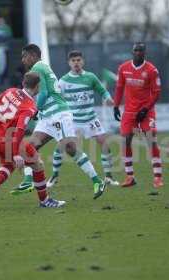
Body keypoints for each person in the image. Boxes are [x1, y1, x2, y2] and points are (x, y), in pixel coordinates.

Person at [11, 44, 106, 199]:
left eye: (24, 56)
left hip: (58, 113)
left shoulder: (38, 68)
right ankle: (28, 181)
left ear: (32, 55)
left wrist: (35, 109)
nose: (23, 60)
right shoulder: (39, 68)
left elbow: (44, 93)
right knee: (29, 147)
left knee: (70, 147)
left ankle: (97, 181)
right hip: (47, 116)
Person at [0, 71, 66, 208]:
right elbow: (20, 129)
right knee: (38, 164)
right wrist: (16, 153)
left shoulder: (11, 90)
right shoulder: (29, 106)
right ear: (37, 86)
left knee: (8, 164)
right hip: (10, 141)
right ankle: (45, 201)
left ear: (23, 83)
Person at [47, 50, 119, 188]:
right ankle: (54, 176)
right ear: (69, 63)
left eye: (78, 60)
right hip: (72, 120)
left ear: (83, 61)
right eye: (73, 61)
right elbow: (56, 98)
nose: (76, 63)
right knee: (61, 146)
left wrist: (109, 99)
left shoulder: (90, 77)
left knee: (104, 143)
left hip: (90, 118)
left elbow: (102, 90)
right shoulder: (63, 81)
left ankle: (109, 177)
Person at [113, 42, 163, 188]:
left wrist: (146, 109)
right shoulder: (123, 68)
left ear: (144, 53)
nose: (138, 52)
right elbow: (119, 87)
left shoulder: (152, 70)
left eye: (141, 50)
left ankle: (158, 177)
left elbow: (156, 92)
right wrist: (116, 106)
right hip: (129, 112)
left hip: (146, 112)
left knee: (150, 140)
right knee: (125, 141)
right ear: (132, 52)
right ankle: (130, 176)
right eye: (136, 50)